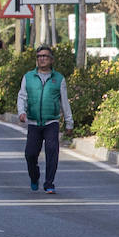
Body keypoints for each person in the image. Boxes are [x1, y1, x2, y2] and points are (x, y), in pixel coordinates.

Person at [17, 45, 74, 195]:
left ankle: (49, 183)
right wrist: (21, 112)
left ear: (51, 60)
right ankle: (34, 177)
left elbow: (64, 102)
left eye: (45, 56)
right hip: (34, 123)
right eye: (39, 56)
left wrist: (69, 122)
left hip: (51, 122)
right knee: (30, 154)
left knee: (52, 151)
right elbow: (22, 96)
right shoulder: (28, 77)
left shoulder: (59, 79)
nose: (42, 59)